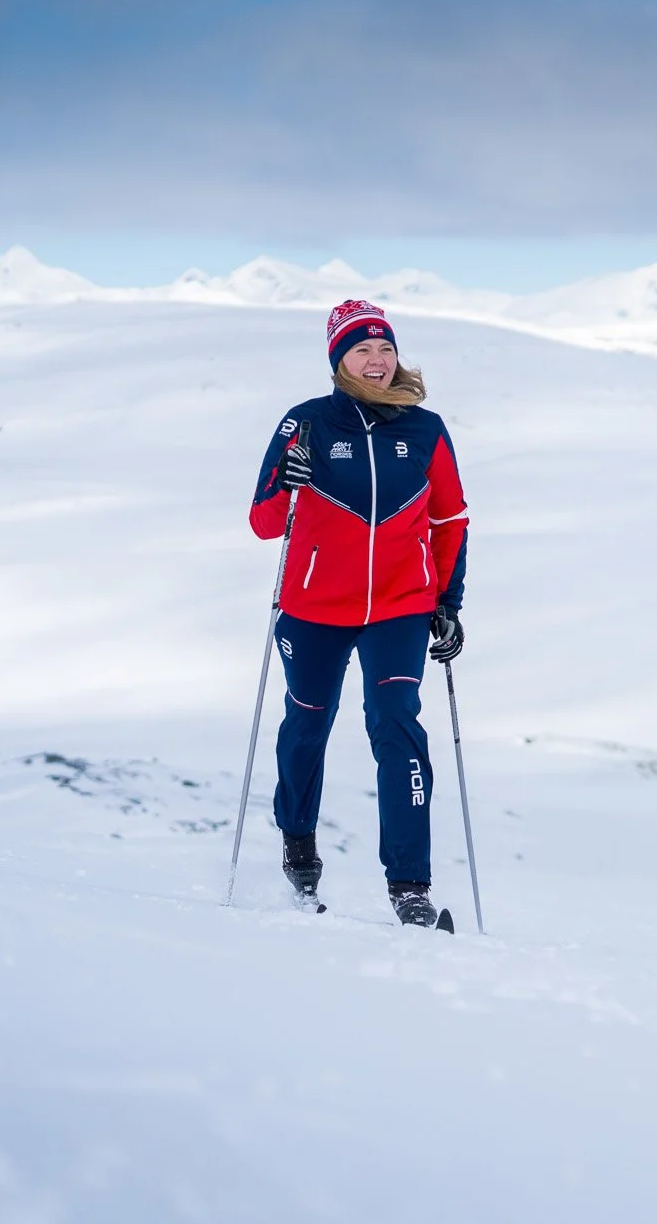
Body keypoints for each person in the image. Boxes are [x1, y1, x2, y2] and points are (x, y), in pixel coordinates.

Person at [248, 299, 470, 926]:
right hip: (314, 605)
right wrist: (286, 482)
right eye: (362, 349)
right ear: (338, 359)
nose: (377, 360)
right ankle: (298, 843)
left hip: (400, 606)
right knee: (307, 724)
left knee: (397, 727)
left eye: (385, 348)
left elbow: (450, 518)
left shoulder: (425, 429)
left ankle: (410, 888)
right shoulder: (306, 423)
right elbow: (264, 522)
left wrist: (447, 602)